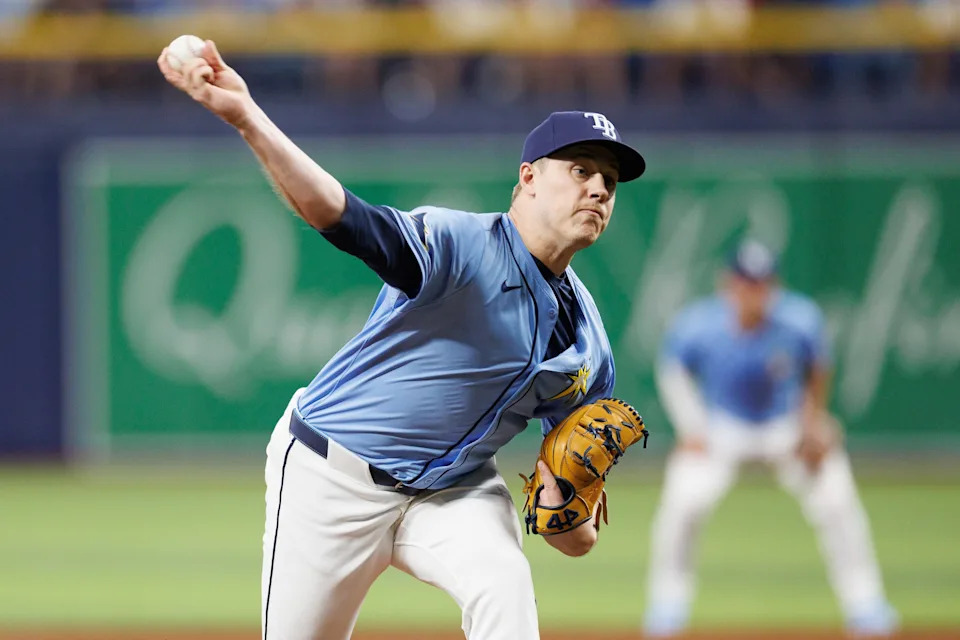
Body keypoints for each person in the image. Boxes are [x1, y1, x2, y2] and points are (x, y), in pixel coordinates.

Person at [157, 39, 646, 640]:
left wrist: (568, 505)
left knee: (504, 583)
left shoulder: (590, 343)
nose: (598, 189)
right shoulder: (461, 245)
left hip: (452, 491)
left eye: (609, 181)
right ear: (528, 181)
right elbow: (339, 215)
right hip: (331, 476)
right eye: (580, 171)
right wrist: (247, 117)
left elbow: (572, 539)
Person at [643, 239, 899, 638]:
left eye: (761, 283)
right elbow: (672, 367)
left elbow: (818, 367)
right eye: (745, 282)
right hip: (722, 428)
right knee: (682, 502)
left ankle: (864, 602)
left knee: (836, 497)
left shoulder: (799, 319)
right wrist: (691, 427)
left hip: (785, 427)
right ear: (728, 283)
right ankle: (668, 604)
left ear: (772, 285)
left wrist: (815, 423)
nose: (752, 291)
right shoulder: (700, 323)